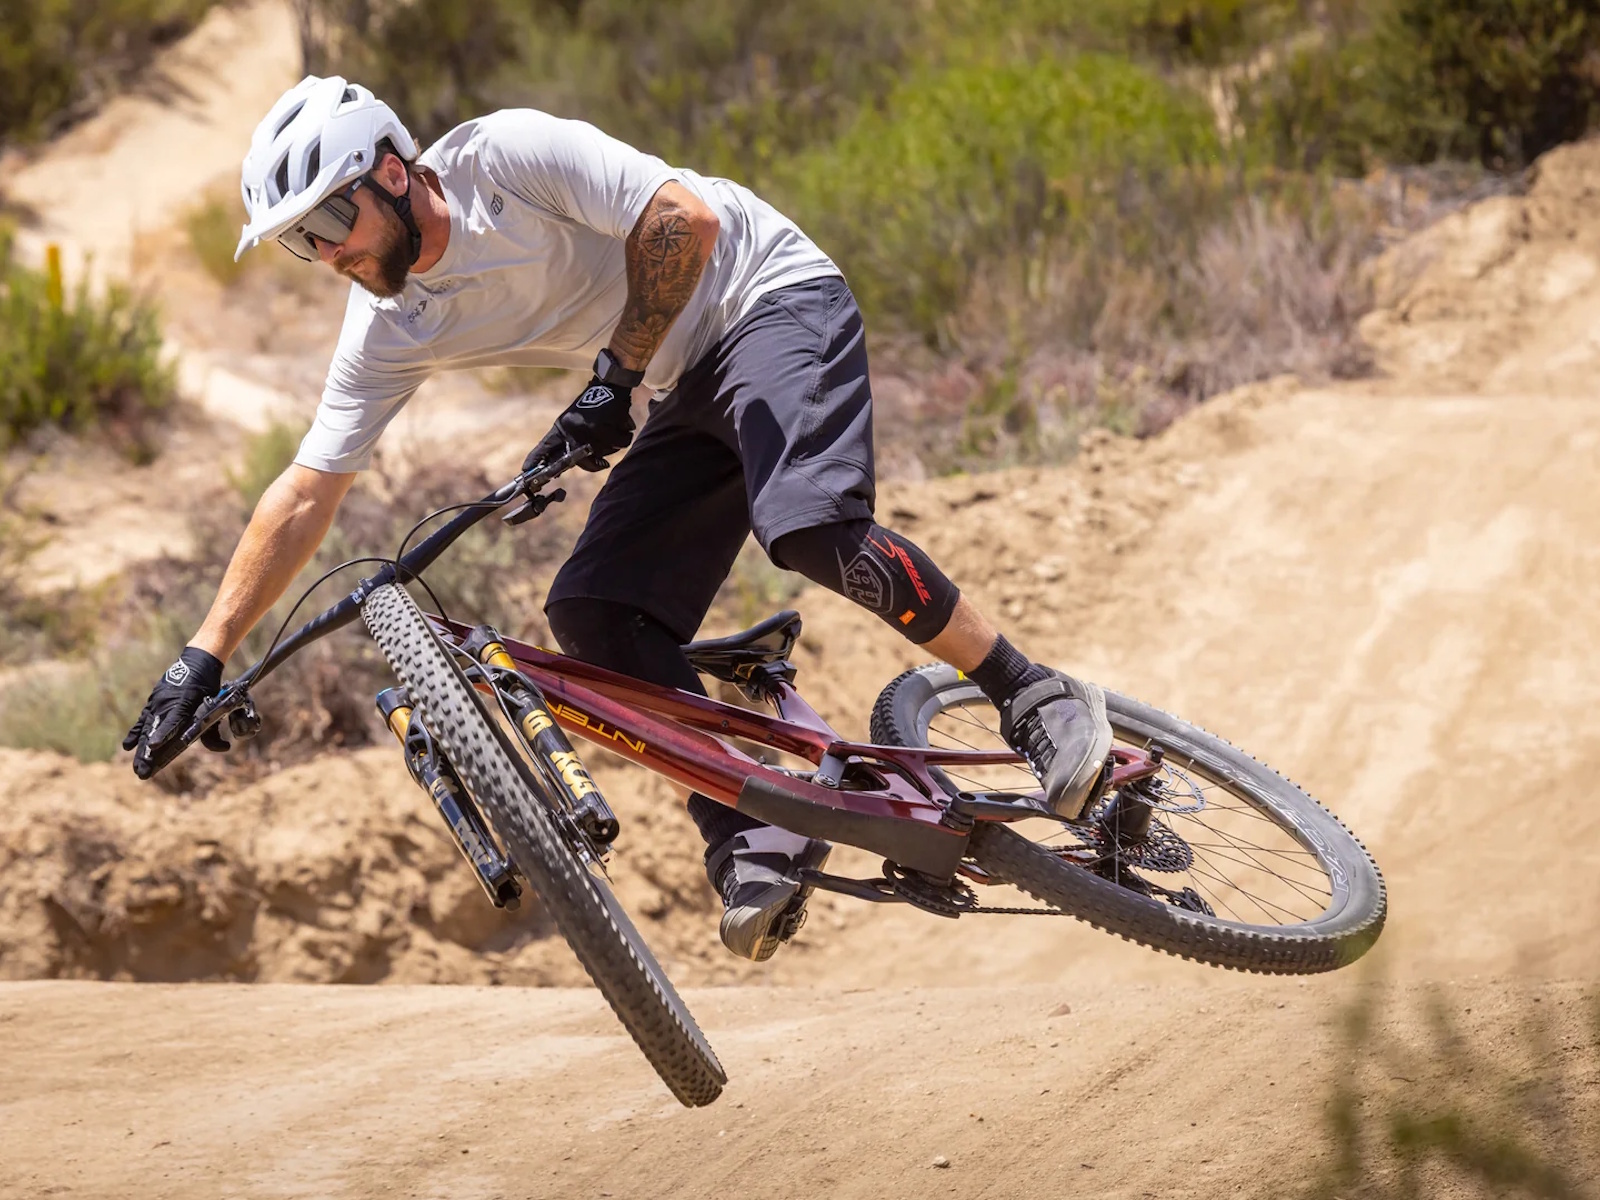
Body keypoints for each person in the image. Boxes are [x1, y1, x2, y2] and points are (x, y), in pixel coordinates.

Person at [123, 75, 1113, 962]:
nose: (326, 251)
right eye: (300, 240)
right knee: (595, 609)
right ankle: (753, 829)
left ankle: (1033, 694)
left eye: (332, 218)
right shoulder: (390, 323)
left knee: (805, 523)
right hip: (683, 379)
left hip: (769, 297)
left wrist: (613, 380)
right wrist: (202, 657)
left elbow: (684, 217)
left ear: (391, 171)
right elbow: (306, 489)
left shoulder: (504, 160)